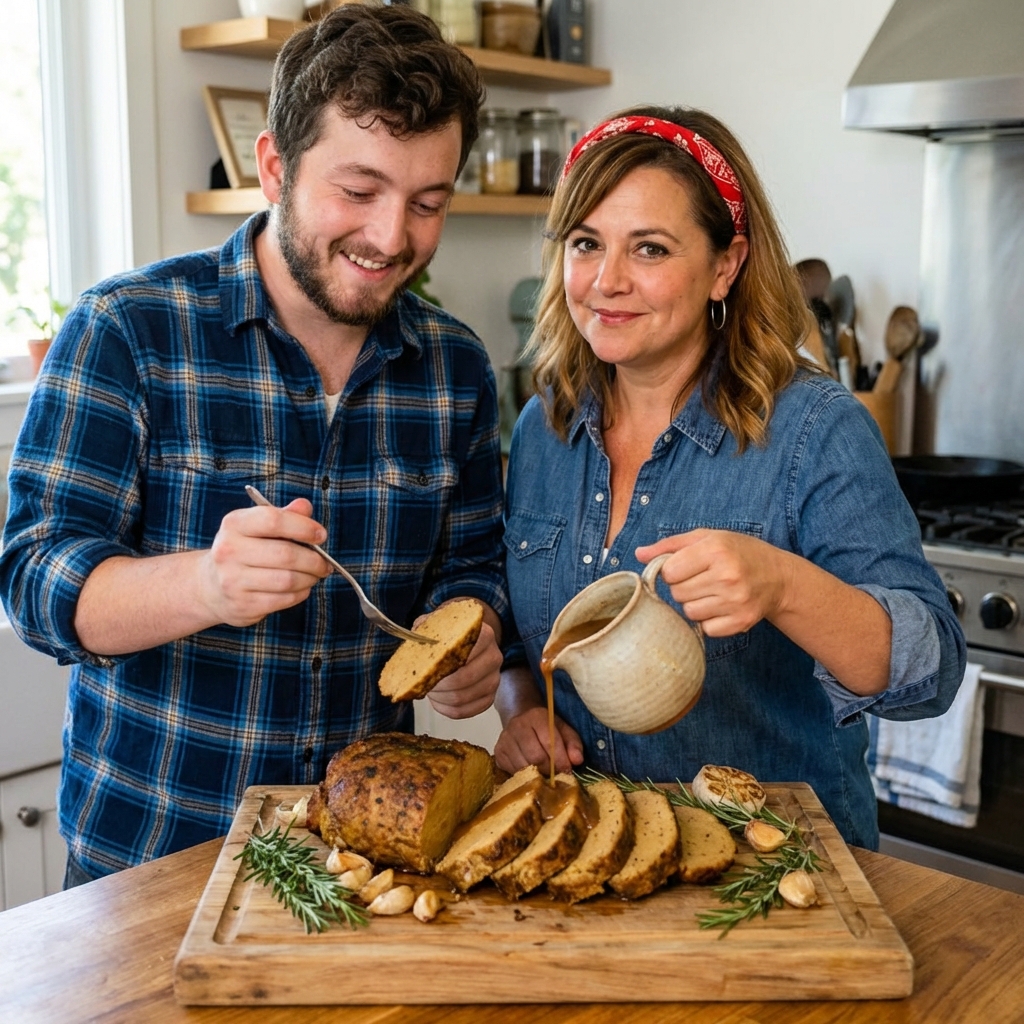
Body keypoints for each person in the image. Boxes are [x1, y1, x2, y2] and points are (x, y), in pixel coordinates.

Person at [0, 5, 508, 883]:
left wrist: (476, 644)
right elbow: (33, 580)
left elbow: (471, 567)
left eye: (428, 203)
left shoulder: (455, 366)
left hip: (362, 863)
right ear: (274, 165)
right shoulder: (128, 330)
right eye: (358, 192)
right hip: (151, 861)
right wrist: (203, 583)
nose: (393, 239)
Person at [493, 107, 966, 849]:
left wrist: (783, 585)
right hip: (593, 865)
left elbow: (930, 670)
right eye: (586, 244)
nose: (607, 281)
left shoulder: (813, 429)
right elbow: (525, 644)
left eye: (649, 249)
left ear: (725, 264)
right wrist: (522, 709)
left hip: (775, 882)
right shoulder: (543, 427)